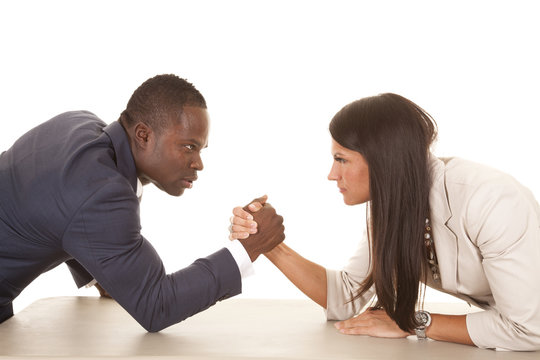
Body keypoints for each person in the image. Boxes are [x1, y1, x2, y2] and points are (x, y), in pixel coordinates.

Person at [230, 93, 540, 351]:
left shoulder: (490, 201)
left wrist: (416, 322)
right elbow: (346, 300)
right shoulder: (395, 204)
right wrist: (268, 243)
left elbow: (529, 329)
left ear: (382, 159)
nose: (331, 174)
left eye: (341, 159)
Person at [0, 74, 285, 331]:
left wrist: (109, 278)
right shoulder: (102, 193)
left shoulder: (78, 124)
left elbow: (59, 208)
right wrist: (248, 248)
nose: (198, 163)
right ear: (144, 135)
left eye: (201, 149)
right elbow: (157, 304)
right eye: (189, 146)